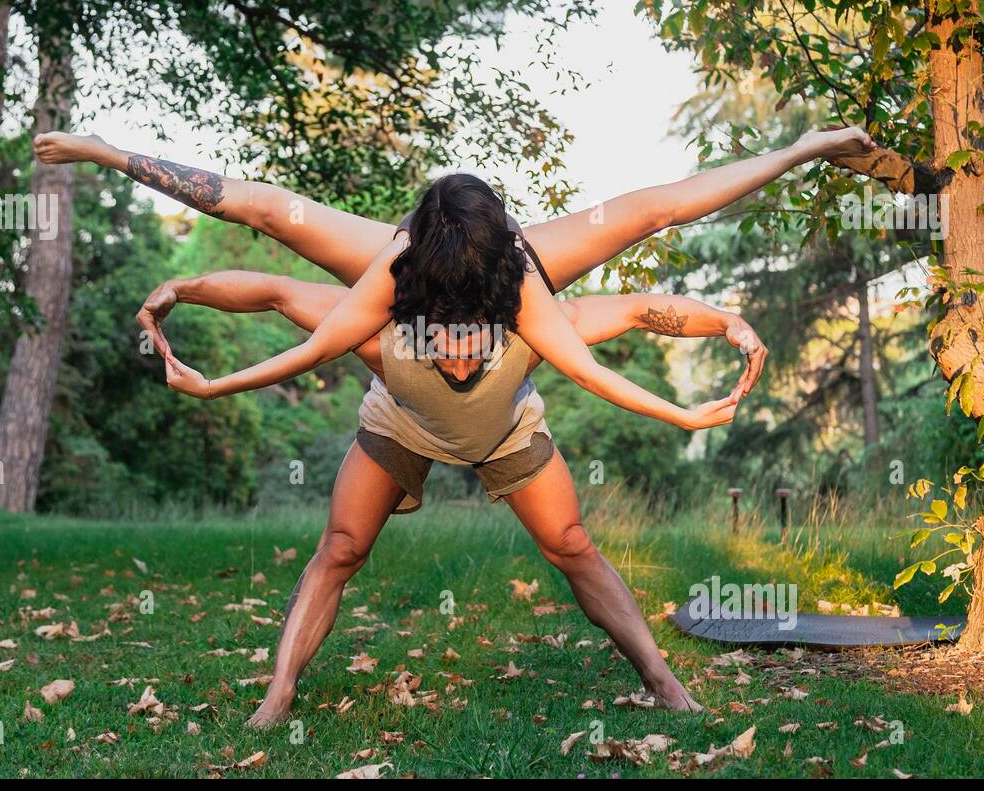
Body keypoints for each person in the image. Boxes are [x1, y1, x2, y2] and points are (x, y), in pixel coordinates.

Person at [133, 266, 765, 723]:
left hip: (507, 428)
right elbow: (276, 292)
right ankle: (279, 697)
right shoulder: (377, 329)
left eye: (475, 356)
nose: (461, 370)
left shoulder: (535, 325)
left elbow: (634, 308)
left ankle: (661, 679)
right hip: (400, 424)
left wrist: (726, 321)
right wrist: (183, 289)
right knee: (342, 547)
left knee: (572, 544)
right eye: (447, 355)